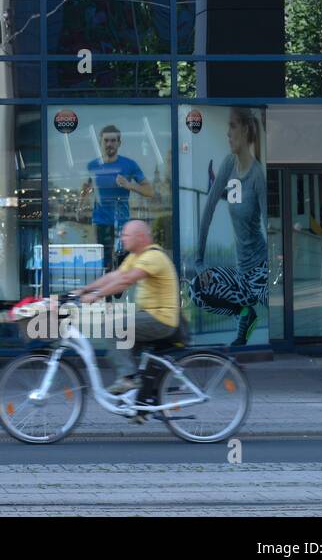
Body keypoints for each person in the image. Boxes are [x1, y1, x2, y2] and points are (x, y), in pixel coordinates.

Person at [191, 107, 270, 346]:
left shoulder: (257, 176)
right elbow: (208, 210)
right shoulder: (229, 164)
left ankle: (254, 319)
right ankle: (244, 313)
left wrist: (277, 264)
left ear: (246, 130)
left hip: (259, 272)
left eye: (233, 126)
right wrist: (200, 262)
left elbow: (268, 222)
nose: (228, 133)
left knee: (274, 302)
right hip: (240, 273)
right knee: (198, 290)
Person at [75, 219, 182, 396]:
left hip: (161, 319)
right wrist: (85, 289)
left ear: (140, 237)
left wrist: (95, 295)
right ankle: (140, 402)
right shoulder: (136, 256)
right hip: (149, 316)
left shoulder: (153, 257)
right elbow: (114, 276)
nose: (121, 238)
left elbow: (125, 281)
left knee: (112, 327)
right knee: (118, 351)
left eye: (125, 235)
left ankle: (128, 379)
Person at [79, 124, 155, 271]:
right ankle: (108, 291)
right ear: (101, 143)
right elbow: (85, 189)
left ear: (119, 143)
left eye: (113, 140)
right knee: (105, 263)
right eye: (106, 141)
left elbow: (150, 191)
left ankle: (119, 280)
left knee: (123, 262)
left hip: (122, 221)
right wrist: (80, 206)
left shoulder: (129, 165)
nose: (109, 144)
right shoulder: (92, 166)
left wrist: (129, 185)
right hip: (101, 221)